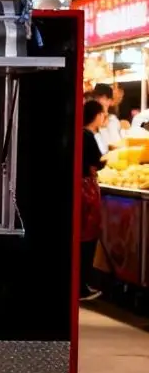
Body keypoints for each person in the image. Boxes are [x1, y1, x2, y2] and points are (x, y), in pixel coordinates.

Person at [81, 100, 106, 302]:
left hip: (83, 191)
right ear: (96, 115)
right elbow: (94, 166)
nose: (103, 117)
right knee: (87, 238)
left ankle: (81, 283)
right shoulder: (88, 137)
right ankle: (82, 284)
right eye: (102, 113)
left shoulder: (82, 135)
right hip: (86, 192)